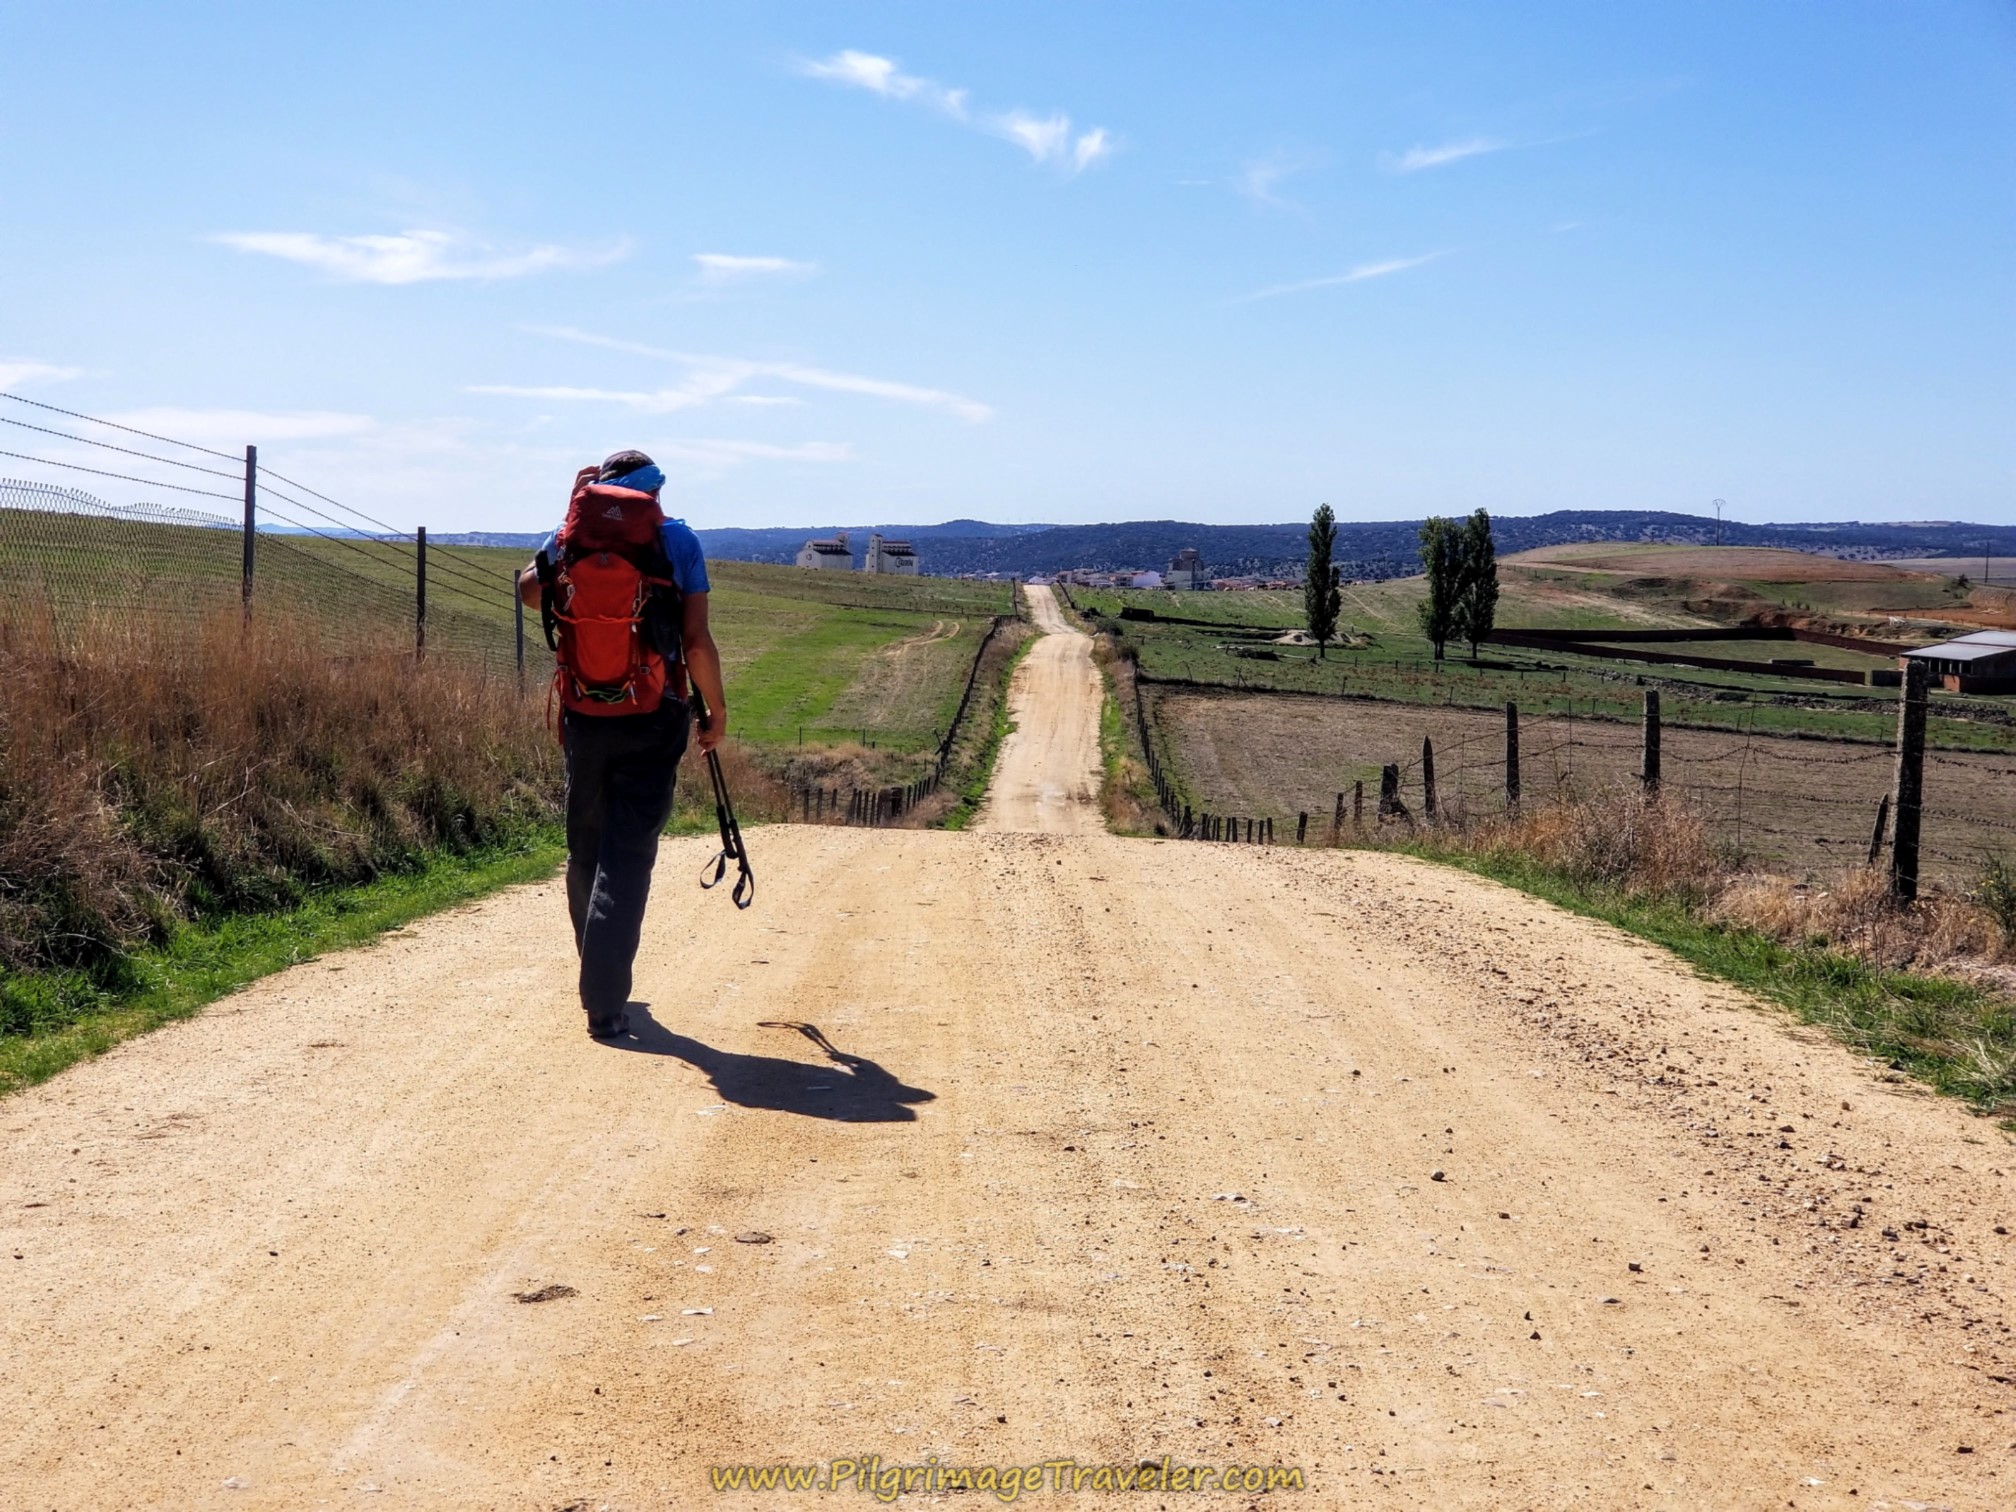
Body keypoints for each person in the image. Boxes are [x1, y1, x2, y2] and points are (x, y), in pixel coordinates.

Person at [517, 450, 728, 1039]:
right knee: (628, 853)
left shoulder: (571, 535)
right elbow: (696, 639)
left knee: (585, 846)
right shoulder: (677, 541)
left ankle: (597, 975)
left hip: (585, 711)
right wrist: (715, 710)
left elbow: (530, 594)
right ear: (654, 490)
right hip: (654, 713)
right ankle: (605, 1000)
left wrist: (564, 530)